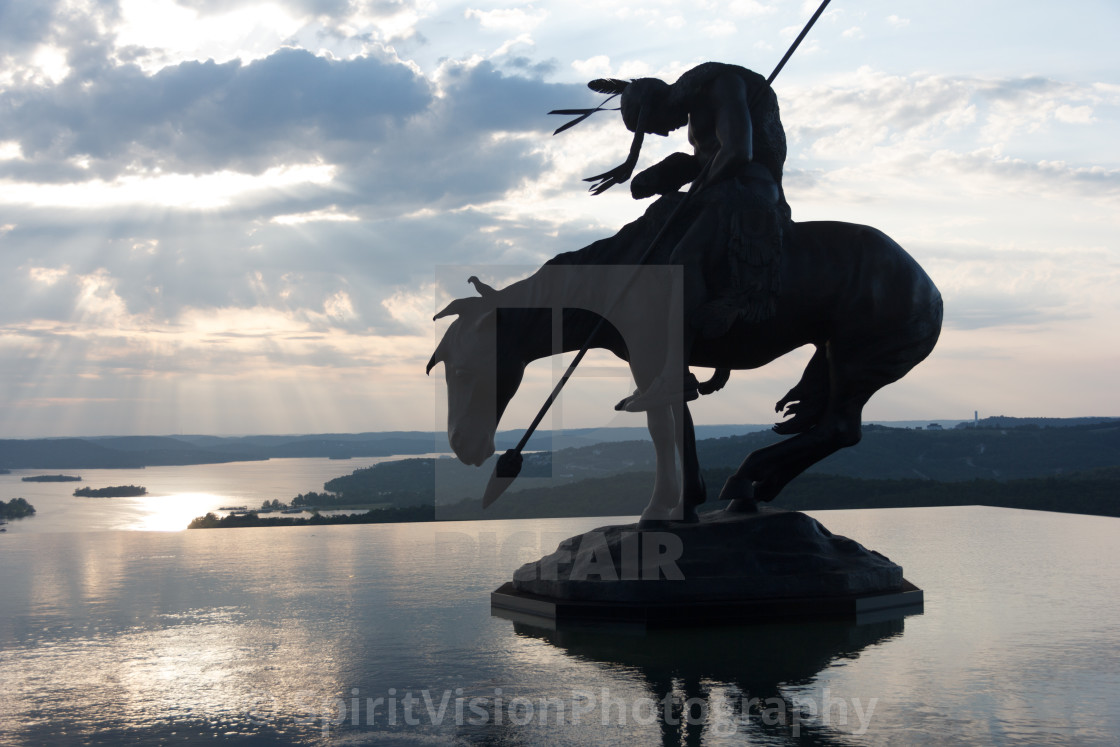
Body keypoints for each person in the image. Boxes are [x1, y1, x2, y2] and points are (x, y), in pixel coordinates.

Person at [562, 63, 791, 411]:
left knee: (683, 259)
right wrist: (671, 172)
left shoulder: (721, 84)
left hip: (750, 189)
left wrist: (693, 191)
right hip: (727, 187)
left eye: (656, 127)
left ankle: (674, 376)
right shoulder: (699, 101)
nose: (666, 133)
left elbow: (737, 152)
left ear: (653, 108)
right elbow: (710, 158)